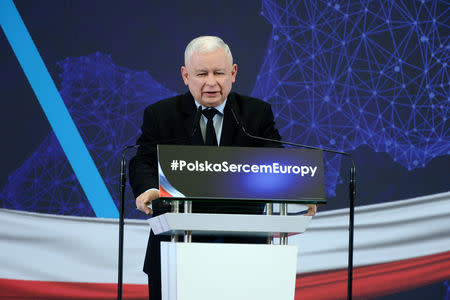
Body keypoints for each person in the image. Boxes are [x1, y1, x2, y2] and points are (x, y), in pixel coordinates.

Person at [129, 36, 317, 300]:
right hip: (175, 248)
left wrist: (297, 190)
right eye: (201, 73)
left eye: (219, 73)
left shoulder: (255, 114)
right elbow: (144, 160)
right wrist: (149, 188)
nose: (211, 82)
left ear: (233, 73)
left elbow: (276, 164)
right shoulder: (161, 115)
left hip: (244, 249)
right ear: (185, 75)